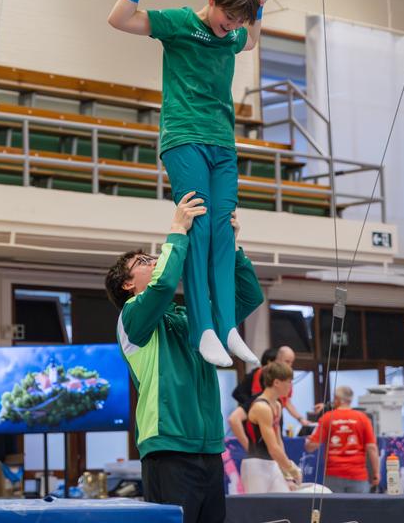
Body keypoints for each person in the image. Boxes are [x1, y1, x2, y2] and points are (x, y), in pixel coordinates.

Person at [108, 0, 273, 368]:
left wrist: (261, 7)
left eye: (238, 21)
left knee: (223, 228)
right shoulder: (179, 22)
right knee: (198, 229)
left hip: (222, 141)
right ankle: (202, 329)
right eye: (227, 17)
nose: (230, 27)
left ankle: (227, 326)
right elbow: (119, 19)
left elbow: (249, 43)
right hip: (184, 137)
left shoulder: (235, 32)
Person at [105, 192, 264, 523]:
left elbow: (249, 296)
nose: (154, 261)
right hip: (168, 448)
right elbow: (162, 286)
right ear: (127, 285)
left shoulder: (190, 317)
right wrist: (177, 229)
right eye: (143, 261)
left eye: (153, 257)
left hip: (208, 448)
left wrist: (230, 246)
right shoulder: (132, 319)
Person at [228, 346, 310, 449]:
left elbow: (287, 402)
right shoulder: (258, 376)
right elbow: (234, 415)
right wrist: (251, 406)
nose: (290, 365)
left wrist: (300, 418)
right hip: (257, 419)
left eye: (291, 363)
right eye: (287, 361)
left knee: (276, 446)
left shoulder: (278, 404)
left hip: (273, 415)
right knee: (266, 449)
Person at [239, 362, 302, 493]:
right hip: (255, 465)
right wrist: (292, 468)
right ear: (277, 383)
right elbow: (272, 448)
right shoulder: (262, 407)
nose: (291, 386)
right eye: (289, 382)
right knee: (258, 512)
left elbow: (279, 443)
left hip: (272, 464)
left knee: (282, 509)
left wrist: (287, 474)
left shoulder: (277, 405)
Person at [305, 385, 380, 493]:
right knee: (359, 509)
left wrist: (308, 441)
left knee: (334, 509)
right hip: (358, 475)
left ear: (336, 399)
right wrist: (376, 472)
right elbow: (372, 447)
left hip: (333, 475)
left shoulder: (327, 418)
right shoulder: (363, 418)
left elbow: (311, 446)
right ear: (350, 399)